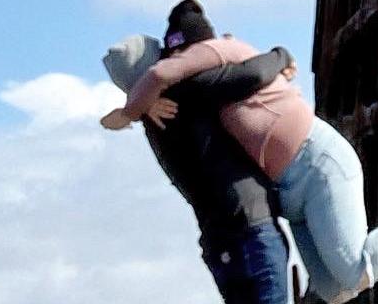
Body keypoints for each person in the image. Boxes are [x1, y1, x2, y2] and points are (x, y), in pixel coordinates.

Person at [103, 0, 378, 304]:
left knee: (353, 270)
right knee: (338, 290)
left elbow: (175, 77)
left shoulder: (214, 63)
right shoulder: (194, 91)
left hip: (316, 163)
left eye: (181, 55)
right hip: (289, 194)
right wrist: (280, 57)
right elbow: (176, 81)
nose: (178, 63)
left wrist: (129, 111)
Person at [103, 32, 296, 304]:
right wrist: (281, 56)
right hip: (249, 228)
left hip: (218, 240)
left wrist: (134, 107)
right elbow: (251, 75)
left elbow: (111, 120)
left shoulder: (152, 118)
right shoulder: (186, 95)